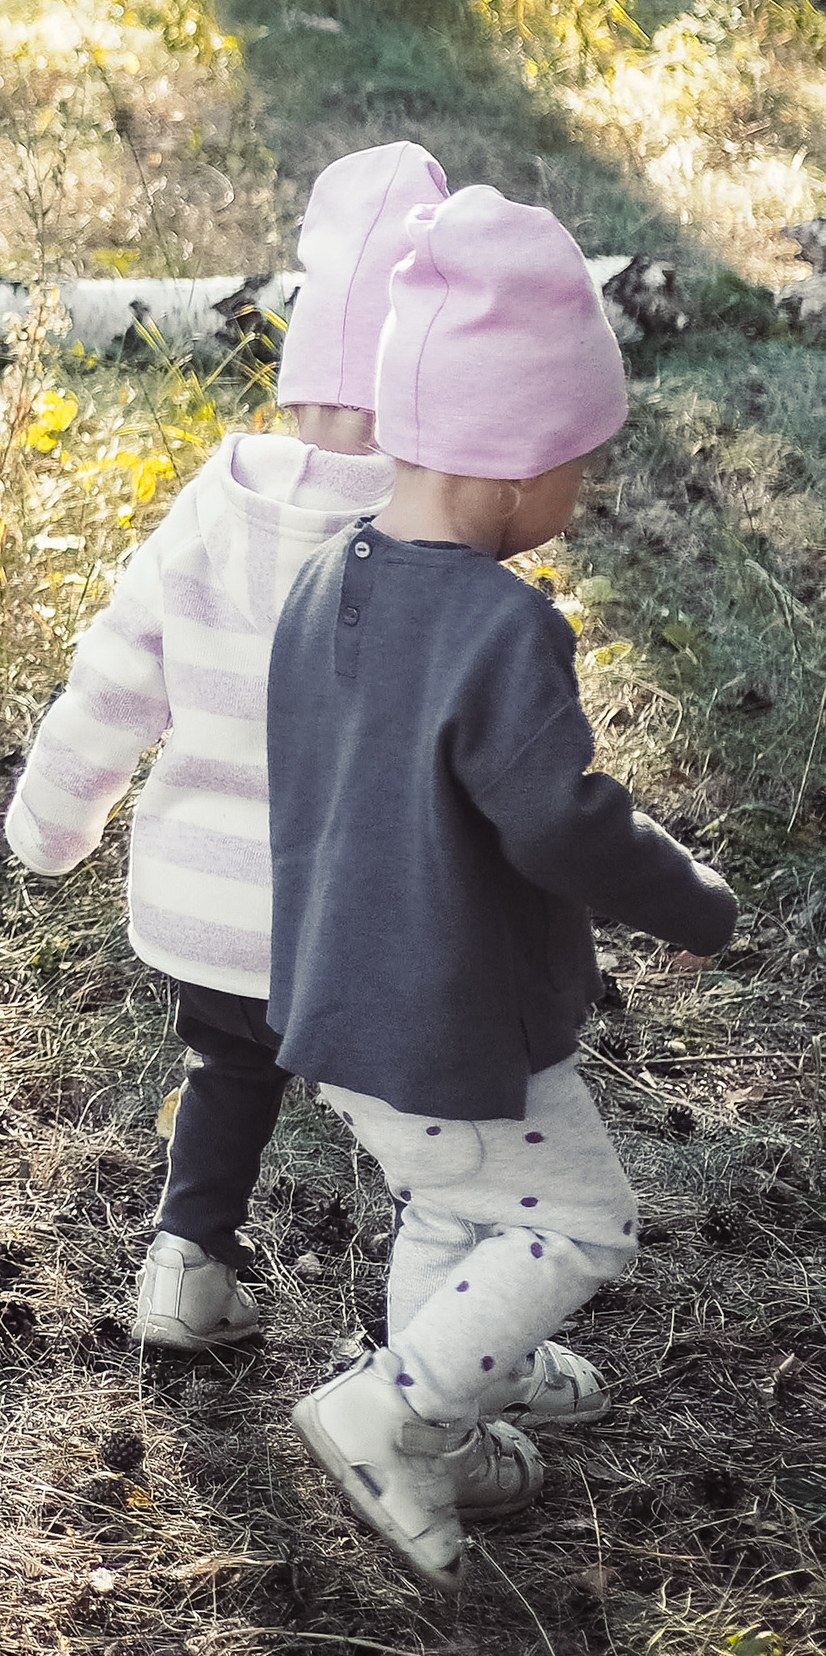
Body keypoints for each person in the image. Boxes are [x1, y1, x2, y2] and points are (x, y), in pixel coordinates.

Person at [268, 185, 737, 1585]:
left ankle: (466, 1404)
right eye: (581, 461)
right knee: (579, 1217)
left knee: (458, 1210)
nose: (579, 492)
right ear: (522, 459)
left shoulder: (317, 579)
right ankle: (398, 1412)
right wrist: (696, 898)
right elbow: (559, 822)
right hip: (452, 1016)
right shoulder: (499, 627)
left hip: (336, 1003)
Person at [4, 141, 445, 1349]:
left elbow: (115, 670)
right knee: (422, 1124)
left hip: (206, 912)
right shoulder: (416, 533)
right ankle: (444, 1325)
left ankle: (183, 1271)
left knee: (227, 1068)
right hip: (355, 926)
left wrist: (52, 818)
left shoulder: (209, 505)